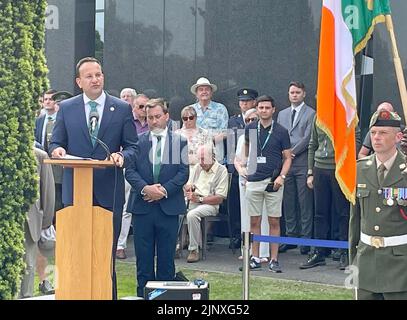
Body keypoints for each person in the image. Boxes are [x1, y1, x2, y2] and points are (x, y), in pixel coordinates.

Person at [49, 56, 139, 299]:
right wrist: (56, 150)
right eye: (89, 76)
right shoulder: (67, 108)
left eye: (98, 74)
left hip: (108, 191)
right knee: (76, 253)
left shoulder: (120, 108)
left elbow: (133, 147)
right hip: (76, 193)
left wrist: (121, 156)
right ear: (79, 82)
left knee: (104, 254)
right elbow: (56, 142)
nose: (95, 79)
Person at [125, 98, 189, 297]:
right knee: (143, 260)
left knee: (166, 260)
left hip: (168, 207)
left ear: (167, 117)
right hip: (142, 208)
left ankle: (164, 299)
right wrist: (146, 189)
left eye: (157, 117)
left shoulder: (180, 142)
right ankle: (144, 295)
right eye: (149, 117)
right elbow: (130, 171)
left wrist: (162, 191)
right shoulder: (137, 142)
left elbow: (183, 172)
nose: (153, 121)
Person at [350, 109, 407, 300]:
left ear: (398, 137)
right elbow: (354, 220)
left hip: (400, 265)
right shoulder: (360, 169)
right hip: (366, 260)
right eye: (373, 133)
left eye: (383, 133)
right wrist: (354, 261)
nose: (376, 138)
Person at [302, 116, 360, 270]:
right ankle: (319, 252)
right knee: (319, 213)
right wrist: (310, 171)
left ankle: (344, 252)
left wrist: (348, 164)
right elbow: (313, 144)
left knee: (343, 213)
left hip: (340, 168)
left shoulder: (347, 113)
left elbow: (356, 141)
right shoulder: (319, 115)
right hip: (320, 168)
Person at [242, 95, 292, 272]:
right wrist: (246, 170)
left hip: (274, 181)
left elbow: (287, 158)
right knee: (254, 221)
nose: (263, 111)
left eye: (267, 108)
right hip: (254, 181)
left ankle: (274, 259)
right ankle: (255, 257)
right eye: (261, 108)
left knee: (274, 221)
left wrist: (282, 177)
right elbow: (246, 152)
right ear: (257, 109)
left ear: (273, 110)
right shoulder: (249, 128)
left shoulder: (281, 131)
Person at [276, 81, 315, 255]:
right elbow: (279, 135)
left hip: (301, 162)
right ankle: (291, 237)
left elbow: (308, 138)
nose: (294, 95)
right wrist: (285, 154)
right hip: (285, 165)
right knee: (288, 202)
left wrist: (291, 152)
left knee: (304, 203)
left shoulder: (311, 113)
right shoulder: (282, 114)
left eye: (298, 92)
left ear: (304, 94)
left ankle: (306, 240)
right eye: (292, 92)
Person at [234, 108, 270, 262]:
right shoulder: (243, 138)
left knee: (263, 216)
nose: (251, 123)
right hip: (246, 180)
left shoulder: (268, 134)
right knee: (246, 217)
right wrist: (242, 170)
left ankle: (263, 252)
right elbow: (237, 159)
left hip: (263, 179)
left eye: (253, 120)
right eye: (248, 120)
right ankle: (247, 250)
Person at [19, 147, 55, 298]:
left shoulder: (39, 156)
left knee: (28, 267)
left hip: (29, 222)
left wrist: (45, 222)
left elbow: (48, 191)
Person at [184, 144, 229, 263]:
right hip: (194, 200)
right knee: (175, 208)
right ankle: (176, 245)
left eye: (203, 159)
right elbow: (188, 185)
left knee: (192, 215)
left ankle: (194, 250)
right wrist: (188, 188)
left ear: (212, 156)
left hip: (210, 204)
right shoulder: (198, 167)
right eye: (199, 159)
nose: (201, 162)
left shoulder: (221, 170)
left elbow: (219, 198)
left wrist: (199, 199)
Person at [227, 88, 258, 250]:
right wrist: (232, 167)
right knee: (235, 206)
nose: (244, 104)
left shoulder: (257, 120)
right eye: (241, 101)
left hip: (254, 169)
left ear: (254, 102)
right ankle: (236, 236)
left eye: (247, 101)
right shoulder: (234, 121)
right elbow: (231, 146)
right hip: (236, 168)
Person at [189, 77, 229, 163]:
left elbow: (224, 133)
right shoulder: (190, 110)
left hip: (216, 155)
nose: (204, 92)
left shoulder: (220, 109)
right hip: (195, 157)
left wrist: (207, 139)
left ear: (211, 93)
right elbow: (186, 131)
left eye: (207, 89)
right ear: (196, 94)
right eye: (201, 90)